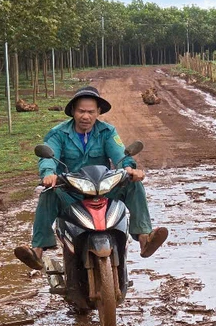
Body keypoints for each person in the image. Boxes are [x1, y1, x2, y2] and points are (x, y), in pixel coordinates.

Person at [14, 86, 168, 270]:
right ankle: (37, 250)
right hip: (71, 191)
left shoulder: (107, 132)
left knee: (133, 185)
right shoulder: (58, 133)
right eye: (81, 111)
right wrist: (48, 174)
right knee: (48, 193)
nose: (85, 116)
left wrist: (129, 169)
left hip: (103, 188)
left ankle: (144, 237)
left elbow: (120, 154)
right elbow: (48, 157)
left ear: (98, 112)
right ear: (73, 111)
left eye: (90, 112)